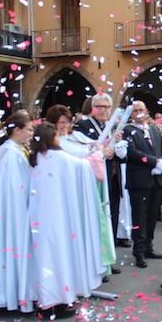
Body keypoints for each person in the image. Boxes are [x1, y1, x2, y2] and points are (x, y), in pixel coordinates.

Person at [28, 122, 108, 319]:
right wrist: (98, 153)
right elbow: (84, 167)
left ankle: (45, 301)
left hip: (38, 215)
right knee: (60, 255)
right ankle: (62, 300)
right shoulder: (59, 157)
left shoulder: (35, 157)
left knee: (44, 256)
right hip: (58, 216)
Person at [45, 105, 120, 278]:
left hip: (91, 187)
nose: (64, 125)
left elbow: (94, 146)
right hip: (74, 190)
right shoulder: (55, 143)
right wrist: (96, 153)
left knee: (97, 224)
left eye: (66, 122)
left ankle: (101, 263)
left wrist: (108, 144)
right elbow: (77, 158)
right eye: (60, 122)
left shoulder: (76, 136)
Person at [0, 112, 35, 313]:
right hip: (12, 210)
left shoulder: (17, 149)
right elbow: (12, 185)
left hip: (20, 205)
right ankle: (8, 295)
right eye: (29, 129)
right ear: (17, 130)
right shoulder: (9, 152)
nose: (32, 133)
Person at [73, 94, 123, 251]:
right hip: (95, 179)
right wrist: (102, 150)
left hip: (113, 176)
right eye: (99, 107)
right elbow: (82, 150)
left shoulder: (111, 126)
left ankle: (110, 253)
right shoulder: (82, 126)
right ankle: (97, 255)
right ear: (92, 108)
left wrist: (116, 147)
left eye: (106, 107)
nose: (103, 110)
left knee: (112, 214)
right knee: (97, 216)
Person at [121, 101, 162, 268]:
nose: (139, 113)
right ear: (131, 114)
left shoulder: (154, 129)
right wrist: (154, 162)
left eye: (142, 109)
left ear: (146, 111)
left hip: (156, 179)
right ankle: (139, 252)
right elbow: (132, 153)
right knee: (139, 217)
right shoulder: (127, 130)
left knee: (152, 216)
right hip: (139, 181)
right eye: (136, 110)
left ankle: (149, 247)